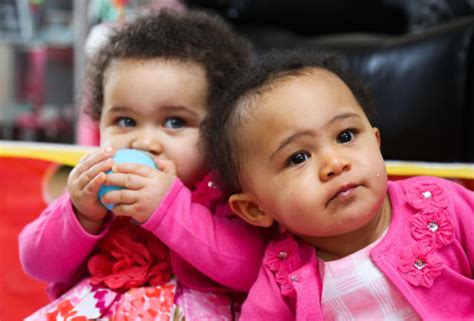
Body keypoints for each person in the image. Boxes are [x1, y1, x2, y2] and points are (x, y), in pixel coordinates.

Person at [19, 10, 268, 320]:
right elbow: (37, 264)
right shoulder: (96, 193)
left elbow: (252, 271)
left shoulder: (231, 193)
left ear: (221, 130)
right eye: (125, 121)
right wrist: (80, 214)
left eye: (175, 122)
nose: (143, 141)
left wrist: (168, 207)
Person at [202, 49, 474, 320]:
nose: (335, 163)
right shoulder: (282, 278)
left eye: (345, 136)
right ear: (256, 209)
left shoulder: (438, 204)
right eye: (298, 157)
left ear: (375, 142)